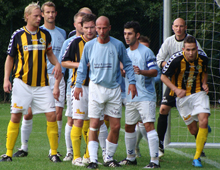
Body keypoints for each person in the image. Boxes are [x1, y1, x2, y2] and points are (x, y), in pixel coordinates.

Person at [0, 2, 62, 162]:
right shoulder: (18, 35)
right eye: (36, 15)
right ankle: (7, 154)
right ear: (27, 16)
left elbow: (50, 54)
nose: (39, 18)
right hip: (22, 84)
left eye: (40, 15)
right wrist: (6, 79)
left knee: (52, 115)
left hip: (42, 84)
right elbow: (10, 58)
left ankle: (54, 153)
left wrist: (57, 64)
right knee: (16, 116)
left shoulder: (45, 35)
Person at [73, 16, 137, 169]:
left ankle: (108, 158)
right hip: (96, 89)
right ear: (95, 28)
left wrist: (132, 83)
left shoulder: (118, 45)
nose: (101, 31)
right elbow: (82, 68)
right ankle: (93, 160)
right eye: (98, 28)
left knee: (115, 126)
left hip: (114, 89)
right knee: (94, 125)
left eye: (104, 28)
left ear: (109, 28)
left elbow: (127, 65)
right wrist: (78, 85)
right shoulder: (89, 46)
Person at [156, 18, 206, 157]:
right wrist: (170, 65)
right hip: (174, 83)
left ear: (185, 27)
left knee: (193, 124)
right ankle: (159, 146)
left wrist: (203, 82)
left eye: (181, 26)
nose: (178, 29)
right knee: (163, 109)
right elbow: (159, 59)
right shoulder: (169, 42)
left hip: (190, 83)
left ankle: (199, 147)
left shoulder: (193, 42)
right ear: (172, 27)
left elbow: (202, 60)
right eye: (176, 26)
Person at [161, 36, 210, 167]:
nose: (191, 53)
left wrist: (205, 83)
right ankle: (202, 127)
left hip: (199, 93)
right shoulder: (175, 60)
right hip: (182, 97)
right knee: (194, 130)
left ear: (197, 49)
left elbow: (205, 72)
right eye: (188, 50)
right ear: (183, 49)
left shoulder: (203, 58)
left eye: (193, 49)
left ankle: (197, 157)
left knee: (204, 119)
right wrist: (176, 90)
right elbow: (163, 76)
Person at [119, 21, 160, 168]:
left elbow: (155, 71)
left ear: (137, 35)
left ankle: (155, 161)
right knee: (129, 126)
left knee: (148, 125)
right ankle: (131, 157)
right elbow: (124, 71)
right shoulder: (125, 52)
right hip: (130, 96)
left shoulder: (146, 52)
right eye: (125, 33)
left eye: (129, 33)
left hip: (146, 96)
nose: (126, 36)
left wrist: (141, 71)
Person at [61, 13, 97, 166]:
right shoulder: (75, 42)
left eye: (92, 27)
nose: (89, 31)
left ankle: (88, 156)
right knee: (78, 121)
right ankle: (76, 157)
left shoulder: (101, 43)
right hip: (80, 87)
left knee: (93, 122)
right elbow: (64, 62)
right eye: (86, 27)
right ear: (81, 28)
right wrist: (81, 65)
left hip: (97, 87)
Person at [61, 11, 87, 161]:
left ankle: (88, 152)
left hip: (92, 86)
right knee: (72, 119)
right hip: (74, 86)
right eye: (81, 22)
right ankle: (70, 152)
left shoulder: (96, 41)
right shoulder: (70, 42)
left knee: (91, 120)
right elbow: (62, 64)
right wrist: (58, 84)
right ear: (76, 24)